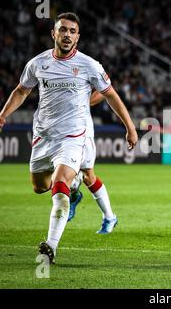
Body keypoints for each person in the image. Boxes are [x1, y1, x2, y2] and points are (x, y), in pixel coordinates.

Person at [0, 12, 138, 264]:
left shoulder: (89, 65)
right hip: (43, 136)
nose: (67, 34)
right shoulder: (37, 64)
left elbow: (110, 94)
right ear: (54, 34)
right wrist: (3, 114)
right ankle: (74, 183)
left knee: (59, 189)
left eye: (72, 31)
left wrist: (130, 126)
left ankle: (51, 246)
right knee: (39, 187)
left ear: (78, 37)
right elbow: (22, 90)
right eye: (63, 30)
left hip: (73, 136)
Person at [67, 90, 119, 234]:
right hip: (56, 130)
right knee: (51, 175)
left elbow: (104, 90)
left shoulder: (87, 67)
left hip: (82, 131)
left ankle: (109, 217)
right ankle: (73, 191)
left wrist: (77, 104)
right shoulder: (47, 69)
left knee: (87, 175)